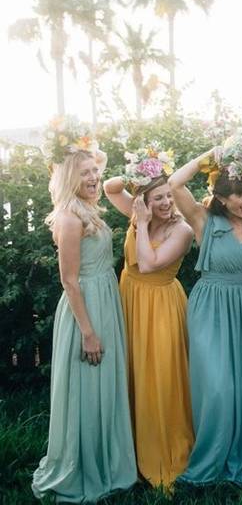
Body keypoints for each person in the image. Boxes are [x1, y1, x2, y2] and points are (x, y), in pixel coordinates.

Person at [32, 130, 137, 502]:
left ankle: (108, 458)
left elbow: (101, 161)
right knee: (89, 385)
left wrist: (79, 148)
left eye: (95, 171)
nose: (94, 178)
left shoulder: (85, 206)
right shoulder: (70, 218)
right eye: (86, 174)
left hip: (105, 296)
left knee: (106, 384)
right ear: (67, 178)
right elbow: (69, 281)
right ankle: (88, 466)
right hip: (86, 307)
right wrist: (88, 332)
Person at [170, 136, 242, 484]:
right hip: (210, 307)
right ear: (220, 197)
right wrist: (212, 155)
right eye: (237, 193)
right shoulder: (204, 221)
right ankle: (212, 454)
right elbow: (174, 183)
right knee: (217, 387)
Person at [103, 146, 195, 488]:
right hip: (130, 301)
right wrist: (138, 172)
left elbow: (149, 263)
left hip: (160, 308)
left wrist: (141, 222)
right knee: (132, 372)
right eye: (157, 197)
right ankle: (130, 447)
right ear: (145, 198)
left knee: (159, 377)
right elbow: (110, 188)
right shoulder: (137, 212)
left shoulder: (181, 230)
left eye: (169, 196)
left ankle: (163, 450)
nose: (166, 203)